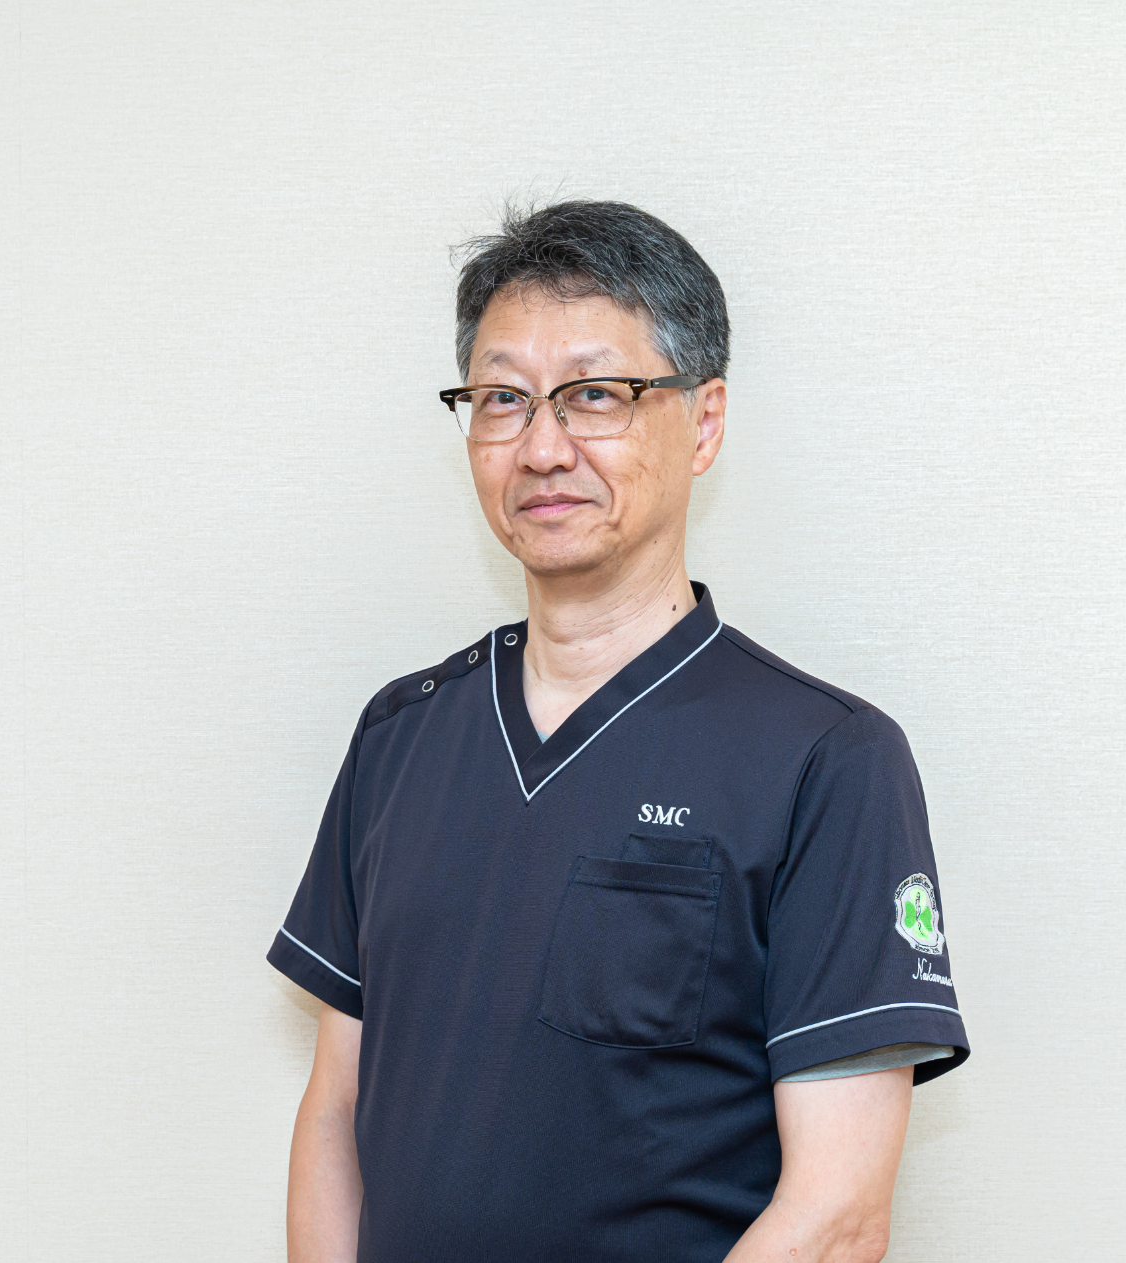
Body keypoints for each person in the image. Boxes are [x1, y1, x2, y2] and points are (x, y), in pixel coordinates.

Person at [270, 200, 969, 1263]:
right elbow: (335, 1111)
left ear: (704, 421)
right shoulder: (400, 735)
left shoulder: (824, 759)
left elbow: (837, 1216)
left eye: (594, 395)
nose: (542, 447)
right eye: (503, 399)